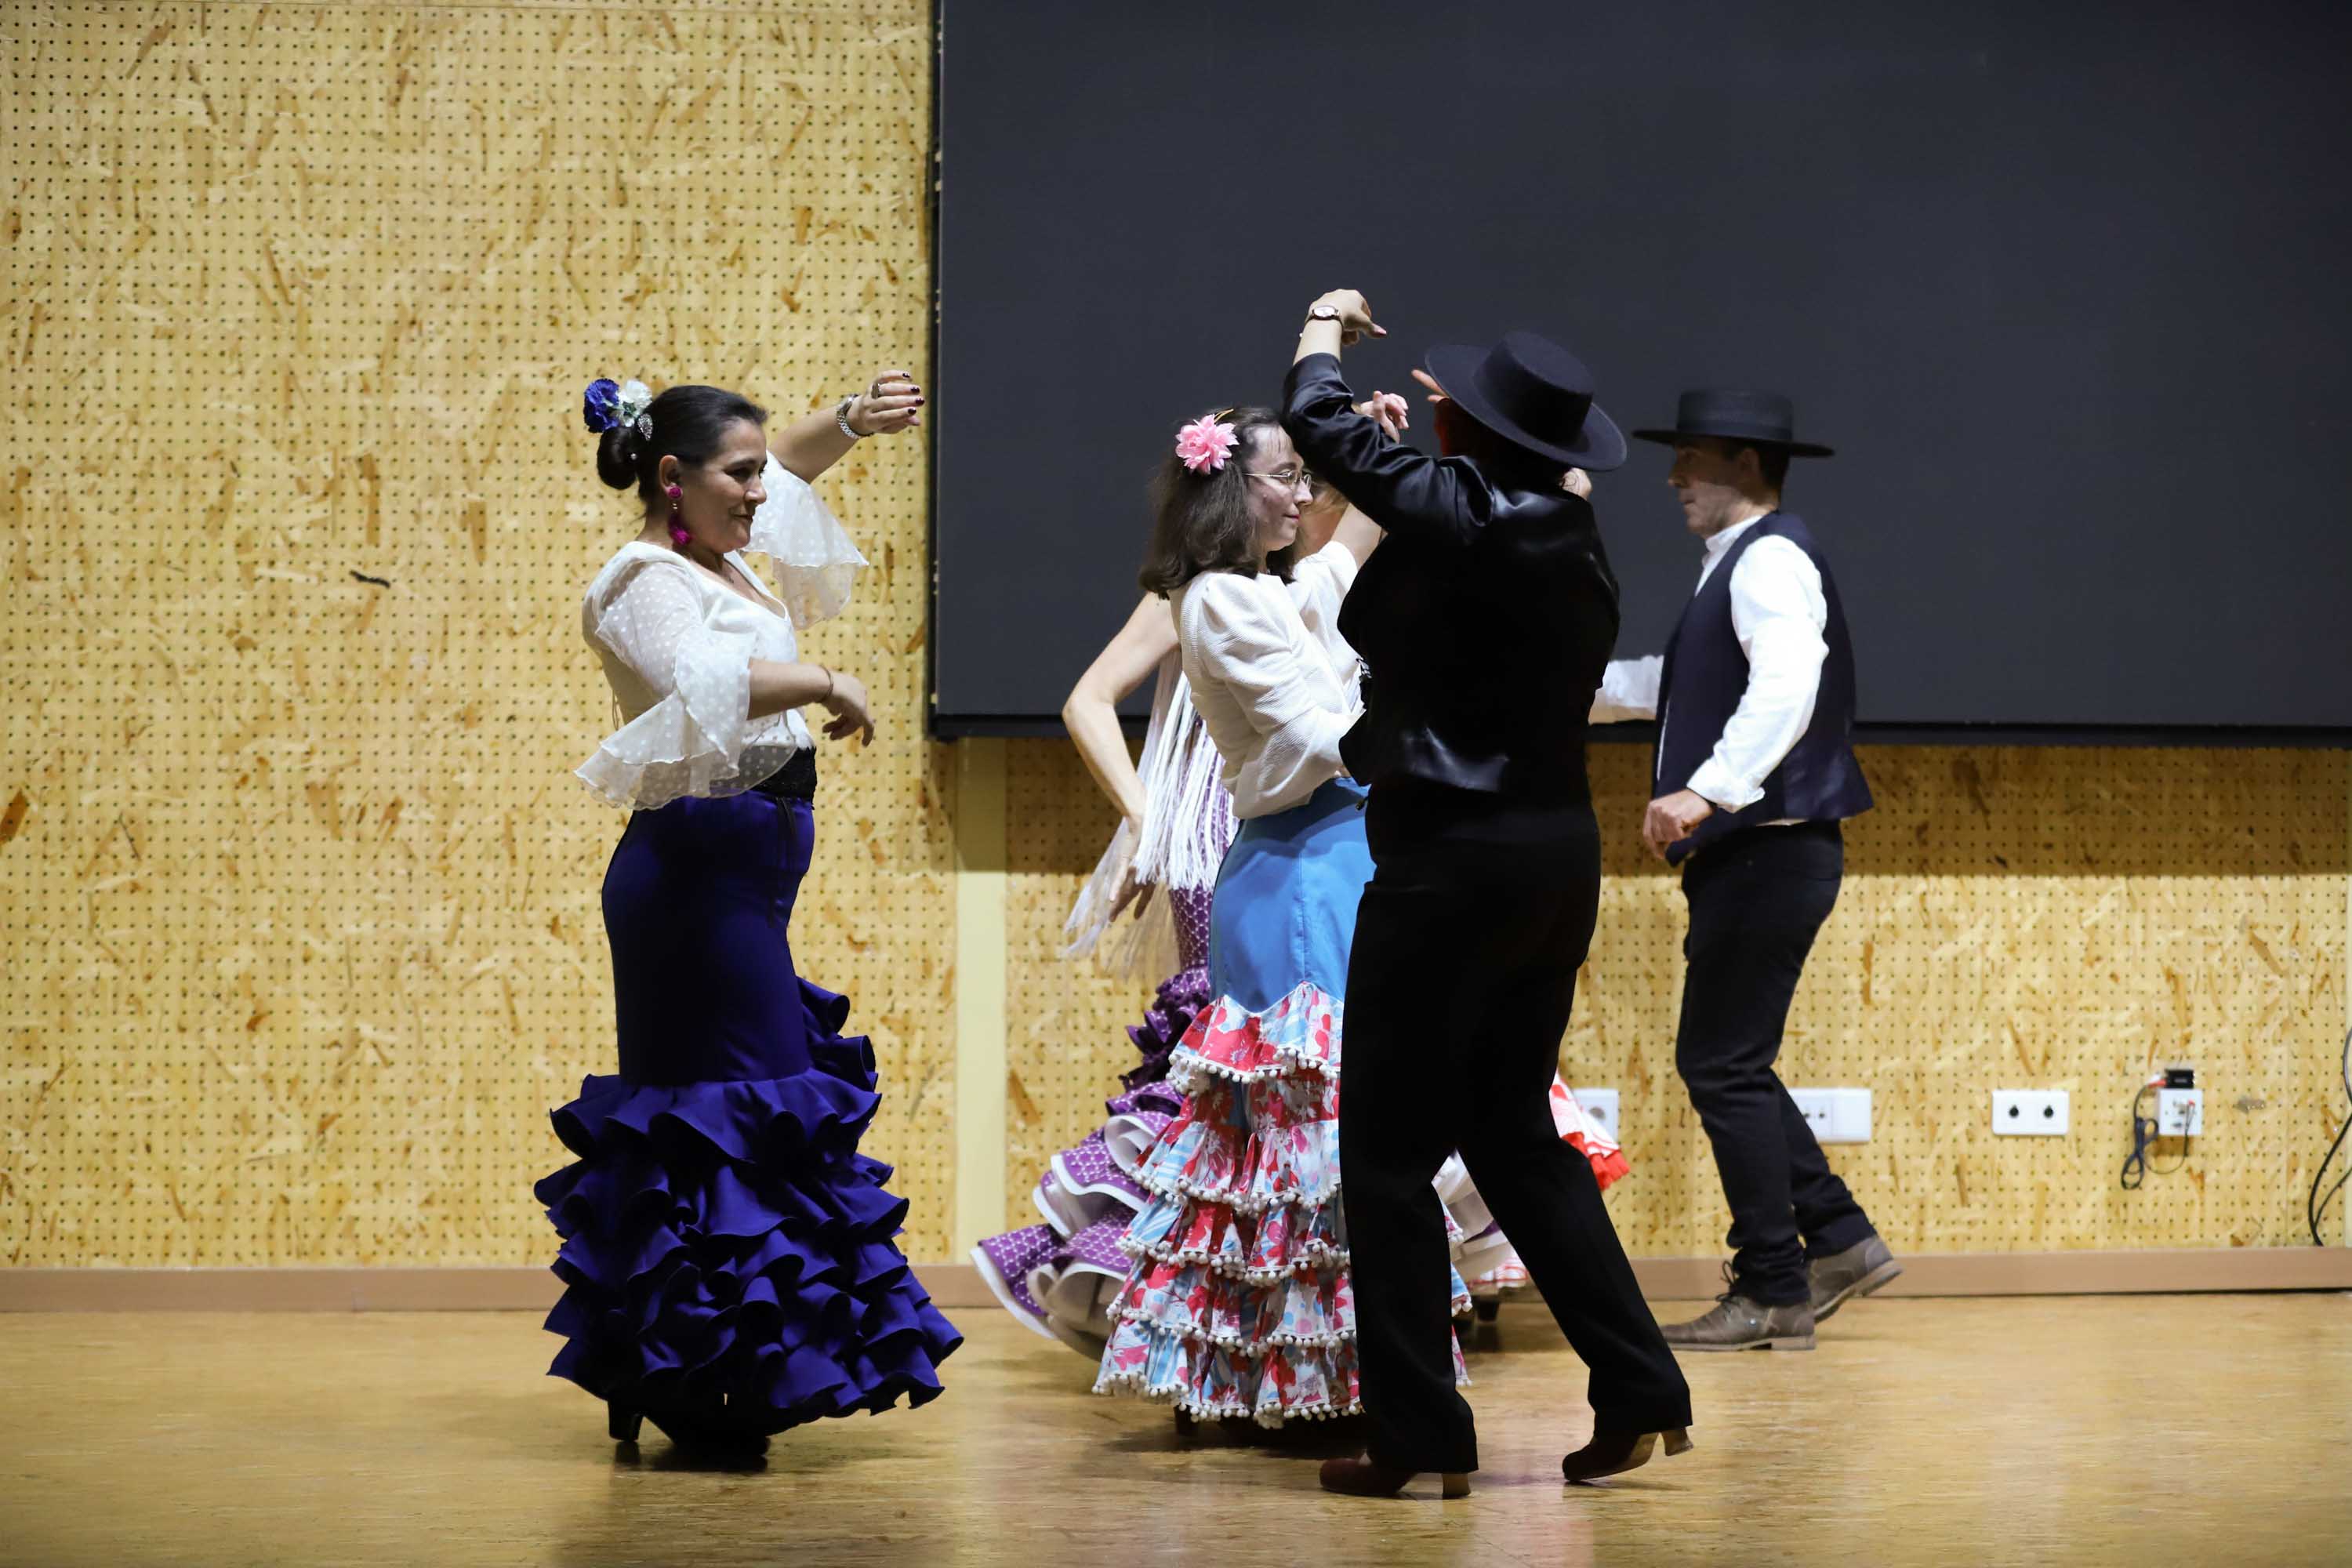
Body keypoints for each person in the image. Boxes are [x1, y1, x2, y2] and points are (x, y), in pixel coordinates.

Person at [1279, 293, 1693, 1499]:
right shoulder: (1575, 538)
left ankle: (1418, 1439)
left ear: (1475, 432)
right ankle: (1641, 1387)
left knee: (1389, 1156)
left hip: (1448, 868)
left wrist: (1319, 331)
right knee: (1516, 1135)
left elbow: (1324, 428)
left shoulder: (1469, 514)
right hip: (1553, 863)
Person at [535, 372, 960, 1457]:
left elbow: (790, 471)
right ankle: (698, 1379)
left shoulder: (718, 559)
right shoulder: (640, 580)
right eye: (738, 475)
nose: (760, 495)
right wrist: (825, 678)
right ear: (671, 479)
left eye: (760, 472)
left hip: (741, 885)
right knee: (732, 1115)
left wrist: (851, 422)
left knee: (726, 1116)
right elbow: (700, 676)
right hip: (689, 884)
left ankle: (685, 1365)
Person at [1094, 397, 1490, 1435]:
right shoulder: (1220, 601)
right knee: (1311, 1138)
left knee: (1330, 1137)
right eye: (1285, 476)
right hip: (1303, 866)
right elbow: (1323, 735)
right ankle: (1311, 1382)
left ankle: (1315, 1375)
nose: (1302, 494)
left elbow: (1340, 559)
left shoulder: (1267, 592)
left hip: (1338, 854)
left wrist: (1371, 445)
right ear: (1231, 485)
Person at [968, 480, 1362, 1356]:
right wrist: (1146, 816)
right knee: (1234, 1071)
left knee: (1299, 1068)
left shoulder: (1295, 582)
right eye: (1288, 475)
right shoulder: (1202, 589)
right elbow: (1089, 697)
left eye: (1314, 476)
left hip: (1313, 825)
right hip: (1227, 821)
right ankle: (1201, 1304)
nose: (1304, 492)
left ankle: (1287, 1310)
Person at [1595, 388, 1894, 1352]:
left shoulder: (1769, 559)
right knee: (1729, 1062)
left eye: (1695, 458)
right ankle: (1838, 1240)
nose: (1676, 476)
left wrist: (1710, 789)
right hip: (1765, 851)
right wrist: (1553, 688)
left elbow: (1787, 684)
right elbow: (1671, 687)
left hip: (1769, 845)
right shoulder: (1738, 564)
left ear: (1750, 466)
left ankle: (1776, 1282)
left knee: (1720, 1064)